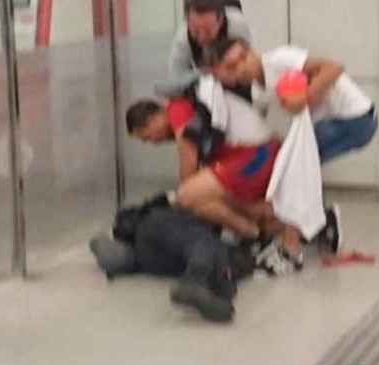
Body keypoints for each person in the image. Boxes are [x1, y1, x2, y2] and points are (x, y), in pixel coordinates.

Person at [207, 37, 377, 252]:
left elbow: (334, 67)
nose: (239, 70)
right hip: (330, 124)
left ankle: (292, 245)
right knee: (292, 167)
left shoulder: (280, 59)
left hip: (356, 118)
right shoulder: (259, 93)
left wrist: (305, 96)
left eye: (240, 60)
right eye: (230, 70)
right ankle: (320, 223)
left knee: (294, 168)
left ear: (250, 52)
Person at [125, 90, 306, 274]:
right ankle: (267, 230)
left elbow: (188, 167)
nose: (152, 143)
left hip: (257, 154)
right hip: (254, 154)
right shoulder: (189, 110)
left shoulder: (177, 110)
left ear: (153, 119)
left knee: (187, 196)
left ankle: (259, 234)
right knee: (201, 204)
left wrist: (175, 205)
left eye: (146, 137)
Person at [89, 192, 253, 323]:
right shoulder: (203, 207)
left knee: (208, 247)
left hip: (155, 257)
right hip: (160, 227)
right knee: (203, 241)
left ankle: (207, 283)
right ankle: (195, 281)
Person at [169, 0, 253, 101]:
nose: (202, 37)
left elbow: (250, 65)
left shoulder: (237, 25)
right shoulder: (183, 39)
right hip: (201, 77)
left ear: (221, 20)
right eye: (196, 31)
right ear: (187, 22)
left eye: (208, 30)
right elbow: (176, 82)